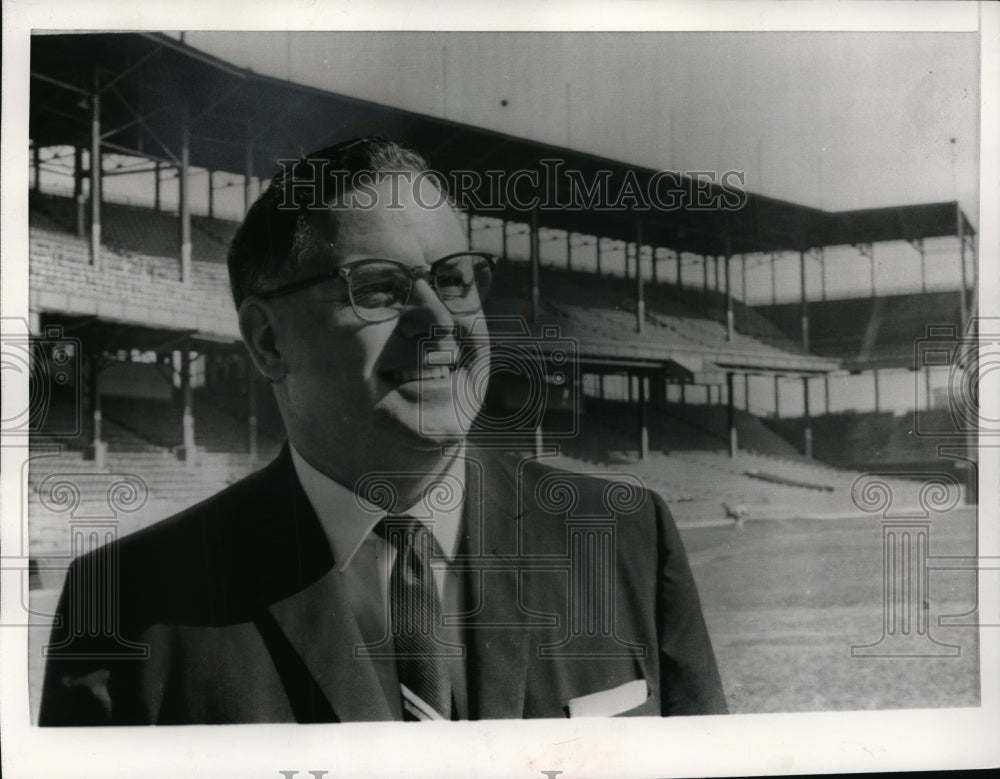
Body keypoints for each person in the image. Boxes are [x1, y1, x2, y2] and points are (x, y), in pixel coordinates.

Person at [39, 137, 726, 724]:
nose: (440, 321)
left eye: (456, 279)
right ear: (268, 338)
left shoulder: (629, 536)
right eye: (377, 288)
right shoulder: (127, 607)